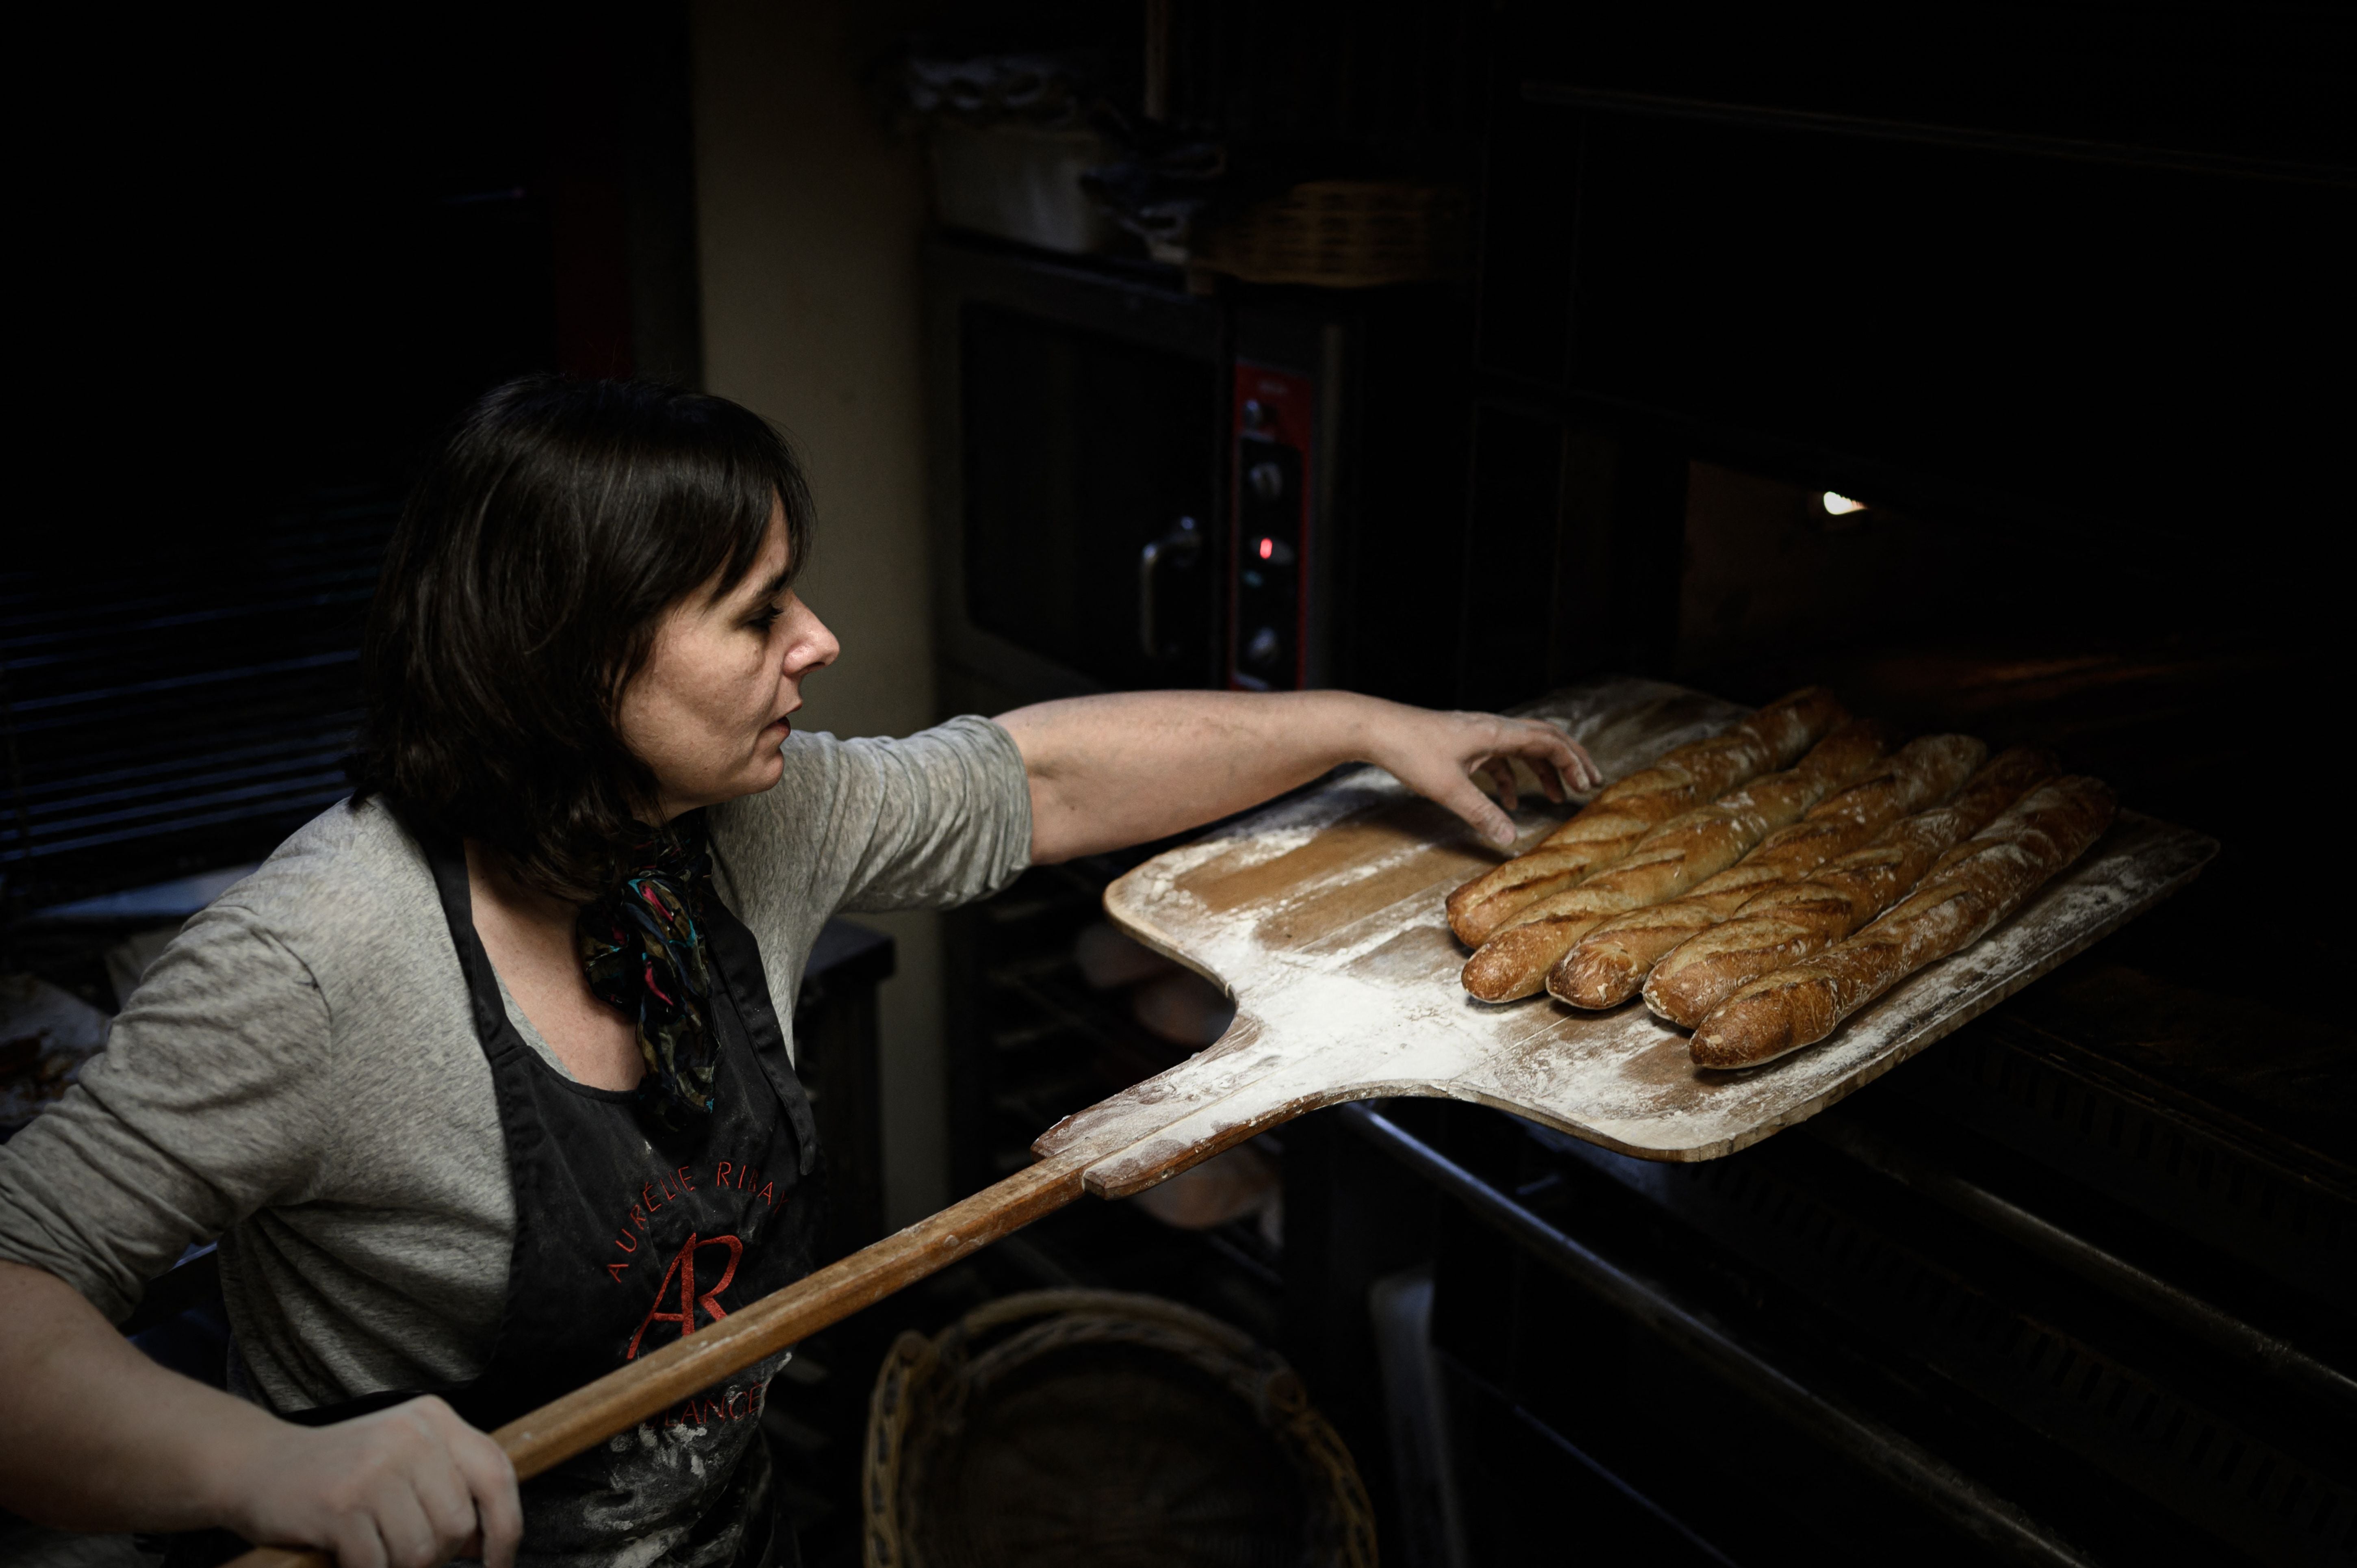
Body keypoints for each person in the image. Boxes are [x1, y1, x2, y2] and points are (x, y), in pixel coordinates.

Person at [0, 377, 1597, 1568]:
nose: (817, 641)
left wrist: (1362, 724)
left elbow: (1035, 780)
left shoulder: (730, 822)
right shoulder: (319, 958)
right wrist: (259, 1470)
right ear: (577, 654)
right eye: (757, 610)